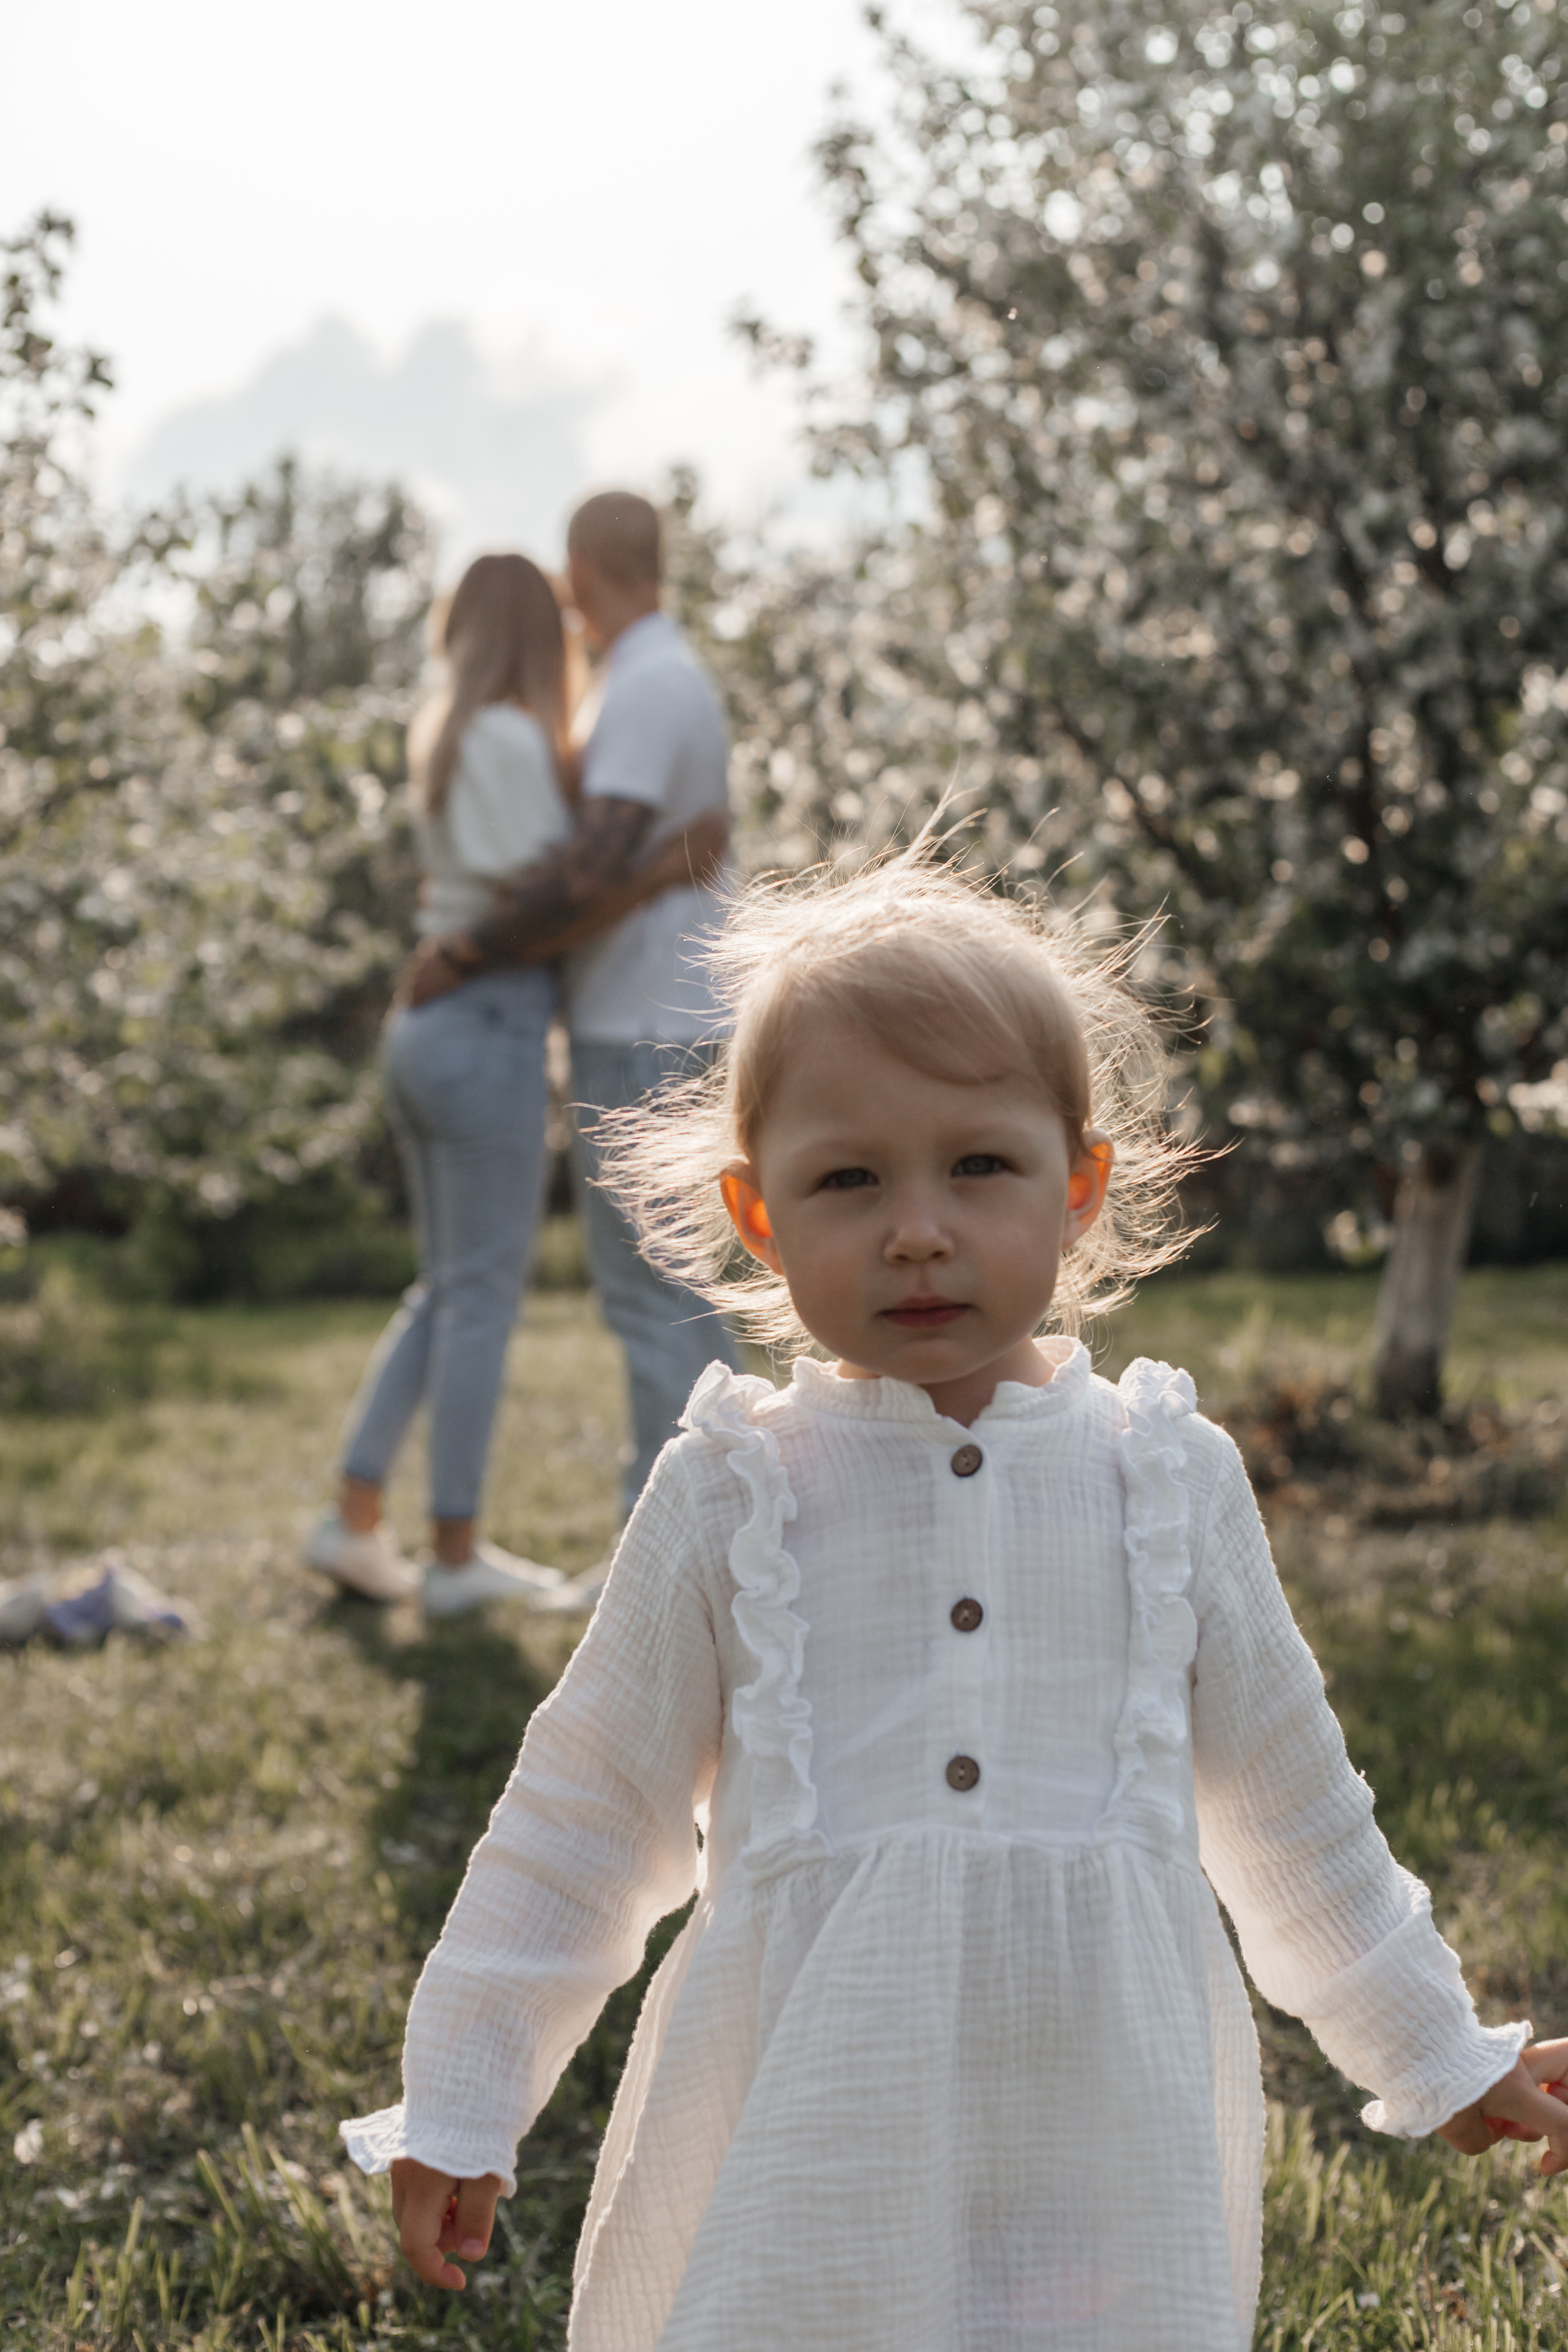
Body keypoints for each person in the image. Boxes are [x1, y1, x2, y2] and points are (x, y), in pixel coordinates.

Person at [341, 847, 1567, 2348]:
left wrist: (1439, 2054)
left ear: (1077, 1187)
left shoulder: (1161, 1483)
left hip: (1095, 2136)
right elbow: (582, 1815)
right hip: (811, 2129)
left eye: (975, 1166)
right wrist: (464, 2098)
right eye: (848, 1178)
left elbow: (1296, 1814)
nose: (914, 1227)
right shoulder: (738, 1492)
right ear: (760, 1217)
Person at [306, 552, 724, 1616]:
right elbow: (565, 890)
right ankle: (453, 1556)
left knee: (445, 1288)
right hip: (484, 1029)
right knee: (483, 1296)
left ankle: (354, 1517)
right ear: (536, 636)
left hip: (433, 1031)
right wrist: (675, 857)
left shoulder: (453, 729)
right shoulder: (505, 738)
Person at [403, 489, 739, 1527]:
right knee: (660, 1295)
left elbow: (590, 874)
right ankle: (691, 1529)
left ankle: (697, 1537)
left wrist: (461, 951)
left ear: (584, 569)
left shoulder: (641, 688)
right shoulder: (651, 678)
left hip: (642, 1027)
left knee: (655, 1301)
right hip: (643, 1018)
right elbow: (620, 863)